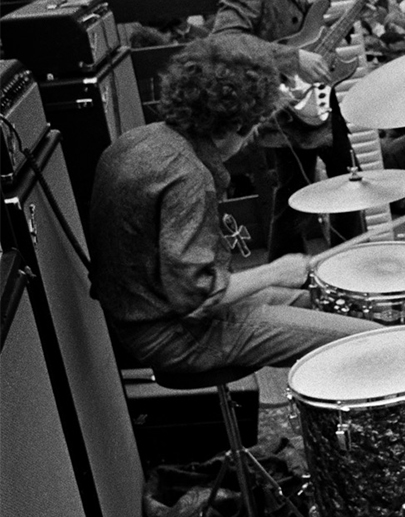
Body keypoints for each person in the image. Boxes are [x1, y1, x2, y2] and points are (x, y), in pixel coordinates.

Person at [87, 37, 381, 373]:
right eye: (253, 128)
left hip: (140, 317)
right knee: (370, 338)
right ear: (234, 125)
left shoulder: (140, 139)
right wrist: (276, 271)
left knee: (329, 304)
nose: (252, 139)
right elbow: (197, 297)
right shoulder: (187, 175)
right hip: (175, 335)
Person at [212, 0, 361, 260]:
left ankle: (351, 258)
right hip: (287, 102)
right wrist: (293, 61)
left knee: (350, 178)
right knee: (295, 195)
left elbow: (299, 32)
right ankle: (289, 271)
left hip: (315, 95)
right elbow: (225, 39)